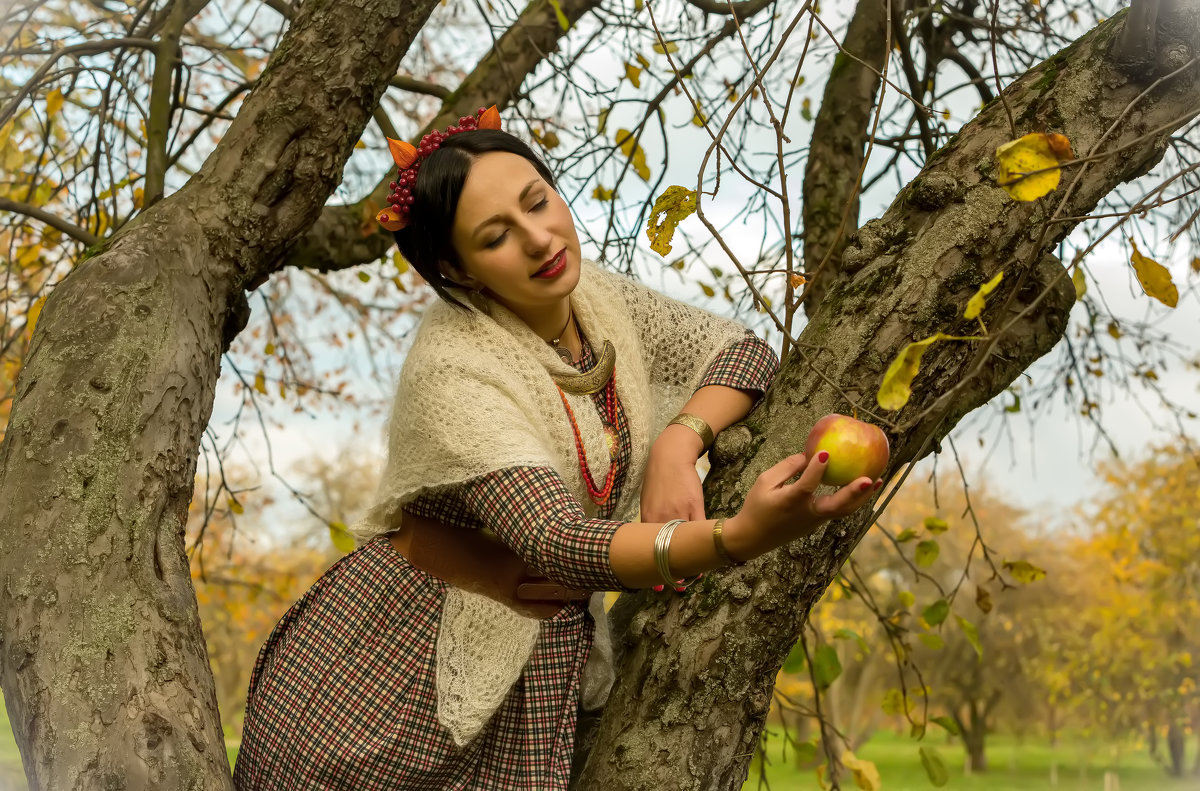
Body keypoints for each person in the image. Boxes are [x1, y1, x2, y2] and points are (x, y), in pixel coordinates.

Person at [232, 106, 883, 790]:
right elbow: (552, 539)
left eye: (538, 202)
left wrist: (676, 440)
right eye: (496, 237)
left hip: (535, 676)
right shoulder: (455, 365)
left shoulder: (594, 299)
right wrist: (736, 536)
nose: (540, 240)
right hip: (386, 682)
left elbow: (741, 351)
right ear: (459, 270)